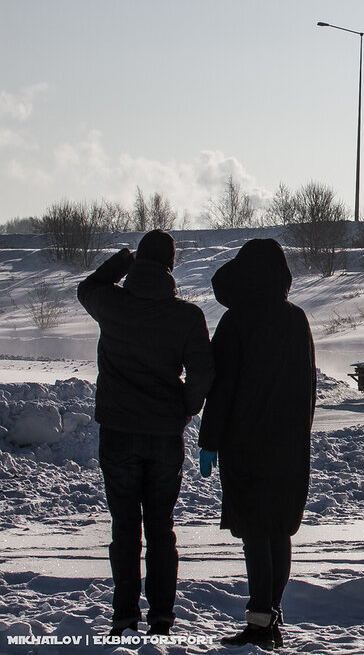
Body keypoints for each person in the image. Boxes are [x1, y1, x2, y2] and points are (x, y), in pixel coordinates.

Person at [77, 230, 214, 636]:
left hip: (118, 432)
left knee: (124, 526)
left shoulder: (112, 303)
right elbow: (203, 372)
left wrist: (123, 259)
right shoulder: (187, 316)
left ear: (138, 263)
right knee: (160, 526)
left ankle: (123, 617)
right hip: (163, 435)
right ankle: (162, 616)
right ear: (171, 266)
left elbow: (88, 286)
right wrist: (185, 409)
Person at [197, 239, 316, 649]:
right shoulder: (295, 318)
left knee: (255, 534)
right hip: (289, 448)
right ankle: (271, 616)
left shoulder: (237, 320)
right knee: (279, 531)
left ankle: (260, 624)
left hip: (245, 446)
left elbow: (221, 388)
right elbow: (308, 389)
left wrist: (209, 441)